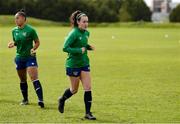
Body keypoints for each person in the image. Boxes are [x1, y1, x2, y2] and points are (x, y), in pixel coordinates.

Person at [58, 10, 96, 120]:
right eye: (84, 22)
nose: (86, 24)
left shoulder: (87, 33)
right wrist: (79, 50)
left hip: (84, 63)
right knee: (74, 90)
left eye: (87, 22)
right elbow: (65, 48)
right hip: (73, 65)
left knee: (88, 88)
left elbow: (83, 44)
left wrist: (88, 47)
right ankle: (62, 99)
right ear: (78, 22)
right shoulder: (73, 33)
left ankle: (88, 113)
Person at [8, 9, 44, 108]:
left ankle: (41, 100)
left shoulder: (31, 30)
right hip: (19, 58)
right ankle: (25, 99)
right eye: (15, 18)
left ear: (23, 19)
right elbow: (17, 42)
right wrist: (13, 44)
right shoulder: (14, 31)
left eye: (17, 18)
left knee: (34, 78)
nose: (16, 20)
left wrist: (33, 48)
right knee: (22, 79)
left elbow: (37, 42)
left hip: (30, 57)